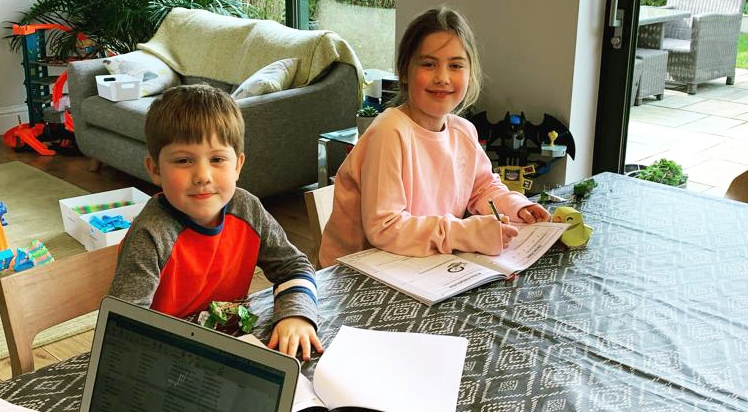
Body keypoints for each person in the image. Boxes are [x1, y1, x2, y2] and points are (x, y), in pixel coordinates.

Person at [319, 7, 550, 268]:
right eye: (429, 64)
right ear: (404, 71)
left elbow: (483, 188)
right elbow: (385, 227)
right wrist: (464, 233)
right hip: (358, 272)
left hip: (421, 264)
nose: (442, 78)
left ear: (470, 73)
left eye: (455, 65)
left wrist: (516, 206)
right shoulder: (389, 132)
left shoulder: (463, 131)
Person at [109, 84, 322, 361]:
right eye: (183, 160)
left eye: (217, 159)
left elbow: (294, 266)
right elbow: (123, 327)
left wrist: (296, 315)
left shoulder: (248, 209)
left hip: (228, 343)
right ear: (155, 169)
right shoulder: (150, 235)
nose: (202, 176)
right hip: (166, 355)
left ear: (238, 165)